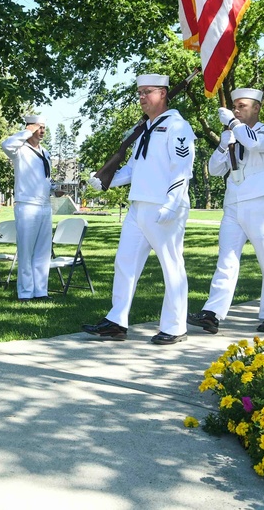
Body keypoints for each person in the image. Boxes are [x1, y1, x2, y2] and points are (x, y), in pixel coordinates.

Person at [82, 73, 195, 344]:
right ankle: (117, 320)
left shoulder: (178, 126)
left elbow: (182, 168)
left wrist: (172, 202)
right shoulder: (145, 128)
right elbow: (134, 168)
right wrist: (105, 182)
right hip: (138, 205)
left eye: (148, 92)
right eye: (140, 93)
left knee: (171, 265)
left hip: (163, 206)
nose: (142, 97)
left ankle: (175, 326)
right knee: (125, 263)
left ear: (163, 94)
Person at [189, 88, 264, 335]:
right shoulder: (234, 134)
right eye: (234, 106)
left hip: (258, 203)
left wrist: (233, 124)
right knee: (226, 259)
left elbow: (253, 143)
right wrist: (223, 146)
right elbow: (214, 170)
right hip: (233, 204)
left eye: (242, 106)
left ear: (256, 108)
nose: (236, 110)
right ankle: (212, 313)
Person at [2, 115, 53, 301]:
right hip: (27, 205)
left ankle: (40, 291)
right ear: (30, 128)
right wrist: (26, 132)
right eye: (39, 127)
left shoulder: (46, 153)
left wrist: (55, 189)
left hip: (45, 205)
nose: (42, 131)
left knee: (42, 251)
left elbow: (45, 179)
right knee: (26, 251)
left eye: (44, 128)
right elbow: (6, 145)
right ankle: (25, 293)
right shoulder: (20, 150)